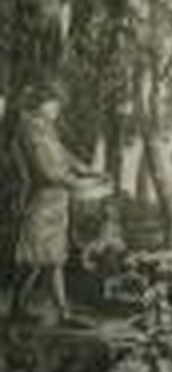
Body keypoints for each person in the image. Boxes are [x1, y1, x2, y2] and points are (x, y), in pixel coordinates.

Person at [9, 80, 108, 327]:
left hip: (56, 201)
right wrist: (79, 184)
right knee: (35, 259)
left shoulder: (46, 129)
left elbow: (66, 156)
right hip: (41, 201)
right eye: (54, 103)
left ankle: (56, 313)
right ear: (42, 103)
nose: (58, 109)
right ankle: (23, 310)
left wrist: (91, 172)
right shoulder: (30, 130)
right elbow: (47, 172)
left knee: (51, 259)